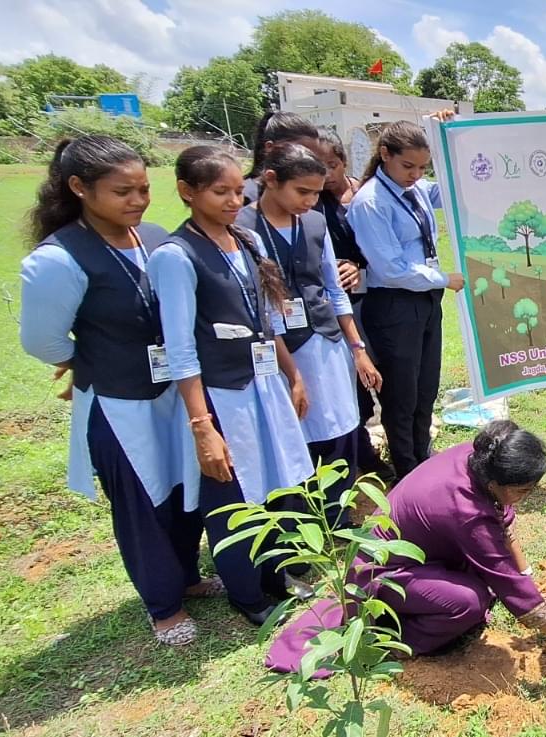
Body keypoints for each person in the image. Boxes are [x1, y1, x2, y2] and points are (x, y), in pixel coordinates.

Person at [19, 135, 218, 646]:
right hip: (119, 404)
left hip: (174, 392)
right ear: (80, 188)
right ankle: (163, 606)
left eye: (144, 189)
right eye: (122, 191)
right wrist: (81, 362)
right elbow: (40, 339)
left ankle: (188, 578)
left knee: (181, 489)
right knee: (140, 503)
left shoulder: (154, 238)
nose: (137, 201)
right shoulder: (59, 258)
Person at [265, 421, 546, 670]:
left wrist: (525, 573)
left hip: (414, 555)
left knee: (484, 586)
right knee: (471, 601)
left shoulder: (479, 454)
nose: (527, 498)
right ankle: (392, 644)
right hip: (382, 574)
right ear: (496, 482)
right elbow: (524, 606)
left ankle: (414, 610)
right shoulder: (467, 512)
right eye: (523, 491)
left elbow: (505, 533)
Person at [148, 145, 314, 624]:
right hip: (221, 394)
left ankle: (276, 575)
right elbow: (180, 349)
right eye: (220, 191)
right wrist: (203, 425)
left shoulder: (246, 242)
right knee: (232, 497)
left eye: (239, 191)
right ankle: (248, 596)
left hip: (263, 386)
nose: (233, 201)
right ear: (186, 191)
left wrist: (293, 374)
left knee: (276, 483)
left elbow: (267, 318)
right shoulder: (177, 257)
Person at [235, 142, 382, 529]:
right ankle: (301, 523)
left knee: (340, 427)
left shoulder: (315, 223)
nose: (311, 200)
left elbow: (333, 288)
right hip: (282, 349)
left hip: (327, 341)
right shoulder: (242, 230)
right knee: (296, 430)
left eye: (317, 192)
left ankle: (339, 513)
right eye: (302, 191)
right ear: (270, 180)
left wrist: (356, 347)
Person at [347, 117, 467, 479]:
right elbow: (391, 268)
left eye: (421, 167)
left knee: (426, 387)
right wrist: (444, 278)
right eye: (407, 166)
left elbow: (451, 190)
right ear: (385, 155)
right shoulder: (370, 203)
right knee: (401, 394)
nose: (415, 174)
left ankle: (422, 457)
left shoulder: (414, 189)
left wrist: (448, 137)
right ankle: (407, 470)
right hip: (395, 305)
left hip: (425, 302)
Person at [313, 129, 389, 481]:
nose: (326, 174)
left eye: (332, 164)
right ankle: (361, 450)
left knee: (384, 372)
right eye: (319, 166)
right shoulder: (313, 206)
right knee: (354, 380)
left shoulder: (366, 192)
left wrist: (359, 265)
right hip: (343, 304)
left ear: (344, 162)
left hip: (380, 294)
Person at [242, 111, 320, 205]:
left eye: (313, 156)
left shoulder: (314, 195)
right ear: (270, 147)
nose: (308, 161)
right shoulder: (244, 197)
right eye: (299, 152)